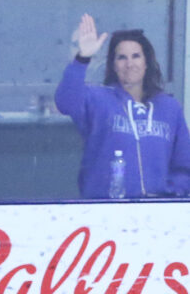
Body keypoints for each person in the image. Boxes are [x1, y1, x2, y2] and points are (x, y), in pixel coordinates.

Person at [54, 13, 190, 198]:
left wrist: (173, 192)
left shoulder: (169, 107)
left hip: (157, 212)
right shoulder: (98, 99)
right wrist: (83, 58)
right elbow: (66, 102)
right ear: (113, 65)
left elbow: (184, 164)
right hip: (105, 208)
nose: (129, 64)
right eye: (121, 57)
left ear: (146, 63)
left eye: (136, 56)